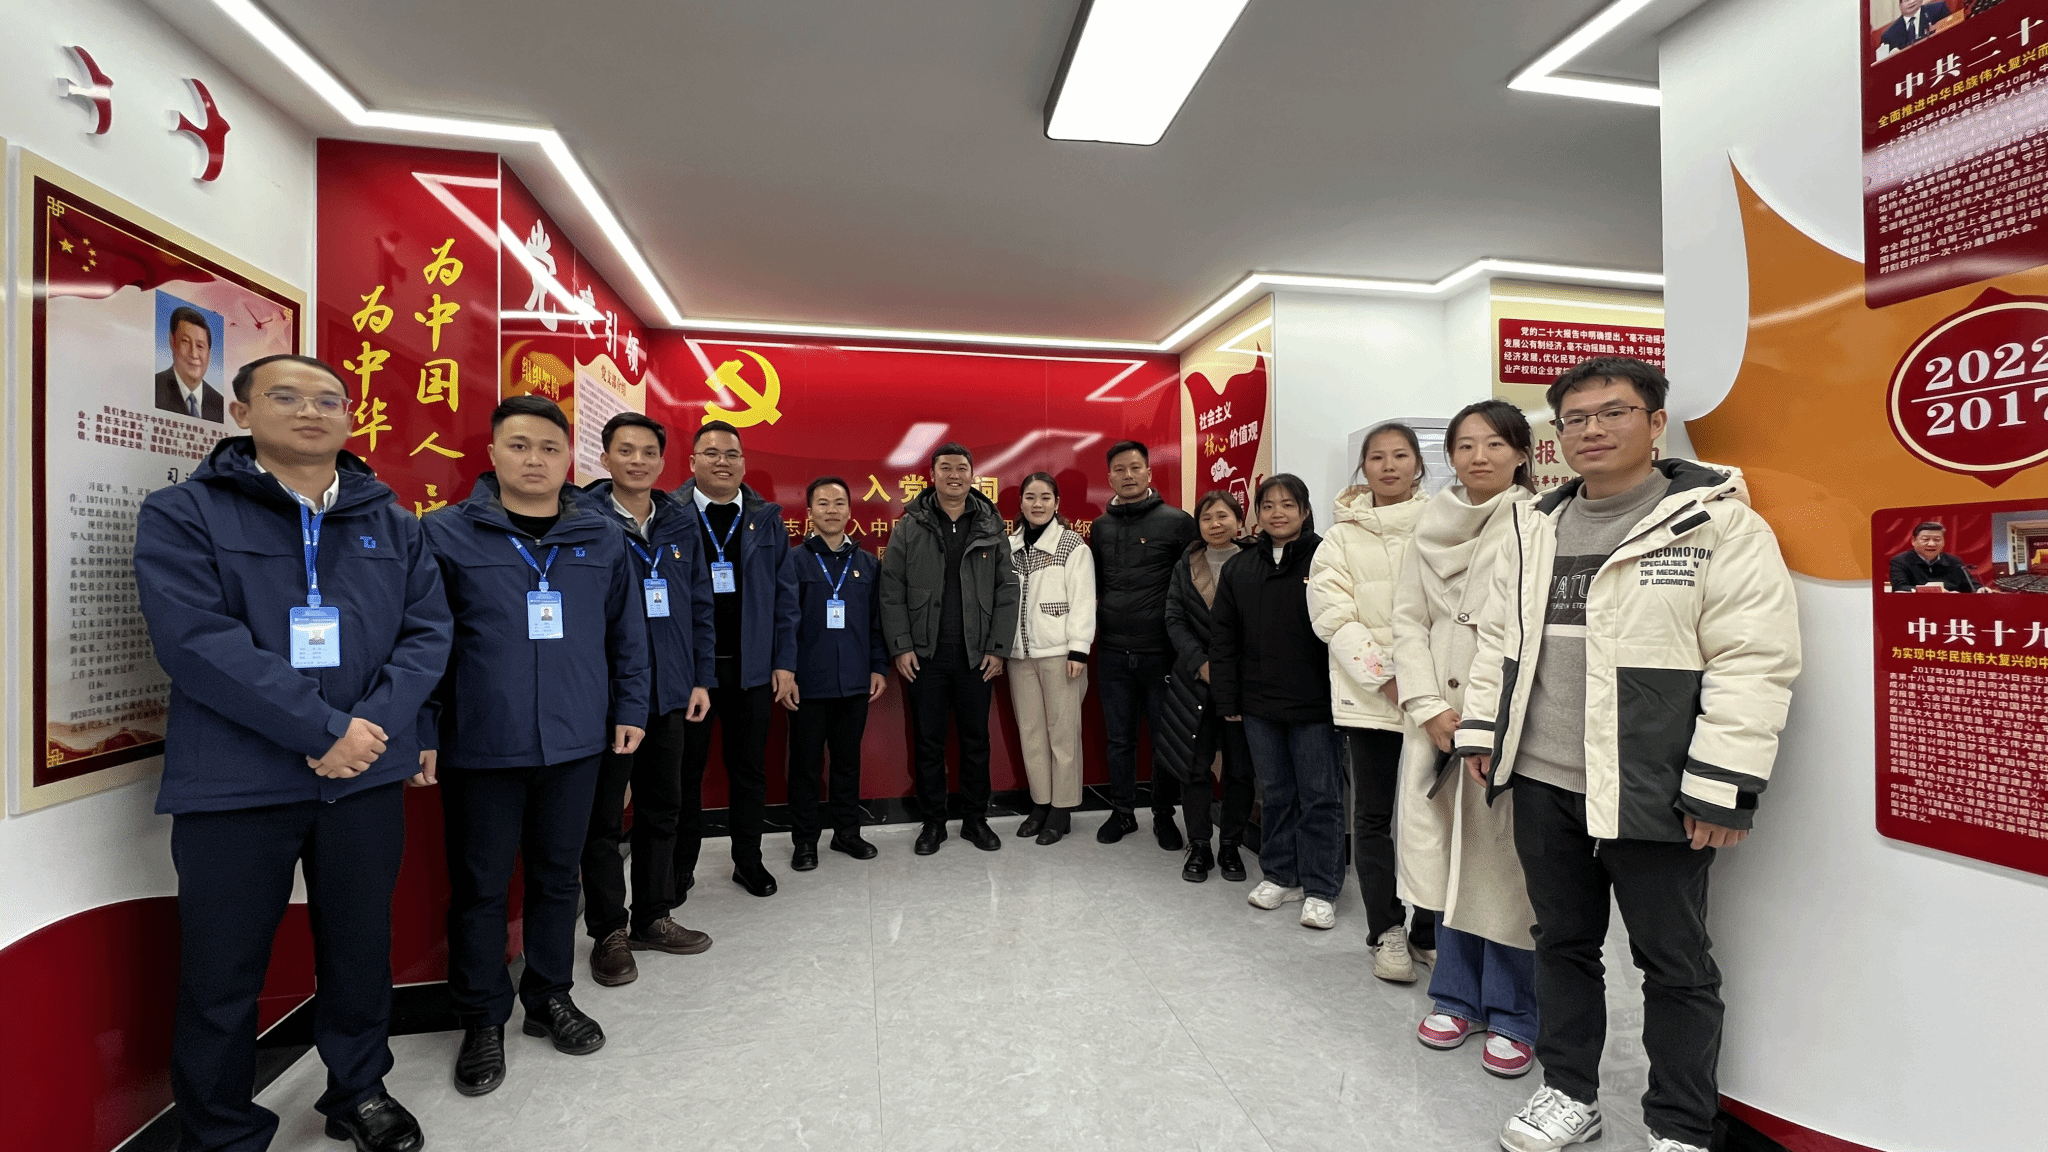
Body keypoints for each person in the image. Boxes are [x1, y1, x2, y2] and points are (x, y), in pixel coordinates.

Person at [1454, 357, 1801, 1152]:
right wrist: (1483, 730)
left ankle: (1680, 1123)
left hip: (1655, 782)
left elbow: (1753, 659)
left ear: (1655, 423)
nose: (1592, 430)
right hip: (1542, 779)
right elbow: (1498, 639)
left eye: (1613, 412)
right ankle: (1568, 1092)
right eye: (1575, 419)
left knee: (1674, 963)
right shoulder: (1535, 526)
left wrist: (1722, 784)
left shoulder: (1715, 524)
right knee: (1562, 943)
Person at [135, 354, 448, 1152]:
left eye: (328, 399)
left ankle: (359, 1090)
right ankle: (221, 1130)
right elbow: (196, 642)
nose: (311, 411)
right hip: (236, 781)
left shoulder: (393, 522)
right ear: (241, 412)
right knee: (223, 969)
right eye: (285, 396)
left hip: (363, 777)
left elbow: (427, 635)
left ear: (350, 417)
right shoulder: (184, 513)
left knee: (359, 948)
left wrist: (367, 730)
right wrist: (322, 731)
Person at [422, 395, 651, 1098]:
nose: (534, 460)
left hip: (577, 740)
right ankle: (482, 1016)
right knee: (482, 886)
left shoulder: (600, 537)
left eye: (550, 448)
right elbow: (424, 641)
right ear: (493, 453)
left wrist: (631, 707)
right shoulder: (446, 533)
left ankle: (550, 996)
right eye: (519, 445)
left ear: (568, 459)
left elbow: (627, 632)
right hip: (482, 742)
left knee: (558, 878)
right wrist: (424, 730)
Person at [1390, 400, 1541, 1080]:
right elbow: (1407, 622)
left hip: (1503, 717)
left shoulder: (1537, 523)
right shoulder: (1427, 524)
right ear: (1449, 456)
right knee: (1449, 859)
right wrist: (1427, 706)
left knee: (1503, 867)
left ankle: (1512, 1011)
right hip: (1435, 718)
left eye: (1495, 444)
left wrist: (1481, 719)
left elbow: (1521, 632)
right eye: (1465, 445)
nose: (1479, 457)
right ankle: (1454, 994)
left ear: (1522, 453)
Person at [577, 412, 716, 989]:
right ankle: (609, 931)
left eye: (648, 452)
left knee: (664, 807)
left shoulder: (680, 521)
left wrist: (700, 677)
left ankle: (654, 915)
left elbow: (700, 604)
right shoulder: (581, 518)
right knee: (604, 819)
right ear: (604, 457)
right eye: (625, 450)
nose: (637, 461)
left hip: (671, 691)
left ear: (663, 461)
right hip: (608, 696)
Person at [1308, 424, 1435, 951]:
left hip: (1436, 696)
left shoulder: (1443, 523)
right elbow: (1332, 615)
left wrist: (1423, 684)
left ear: (1418, 465)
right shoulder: (1340, 537)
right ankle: (1386, 930)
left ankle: (1429, 930)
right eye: (1377, 457)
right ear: (1363, 467)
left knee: (1432, 814)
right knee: (1374, 816)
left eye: (1400, 455)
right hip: (1371, 696)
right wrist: (1384, 678)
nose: (1389, 466)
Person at [674, 420, 801, 899]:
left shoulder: (766, 519)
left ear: (744, 463)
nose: (722, 461)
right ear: (692, 462)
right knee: (684, 773)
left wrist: (784, 662)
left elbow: (786, 598)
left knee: (749, 771)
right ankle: (679, 867)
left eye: (731, 453)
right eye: (711, 453)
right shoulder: (671, 514)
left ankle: (748, 860)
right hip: (691, 671)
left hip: (751, 669)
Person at [1213, 475, 1345, 930]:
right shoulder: (1240, 567)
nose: (1278, 513)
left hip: (1315, 703)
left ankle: (1321, 887)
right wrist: (1228, 697)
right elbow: (1224, 638)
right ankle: (1280, 874)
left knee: (1320, 796)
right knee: (1275, 792)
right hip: (1258, 703)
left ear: (1305, 511)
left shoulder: (1327, 557)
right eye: (1268, 505)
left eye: (1288, 505)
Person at [879, 441, 1020, 855]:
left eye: (961, 468)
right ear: (933, 475)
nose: (954, 475)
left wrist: (998, 647)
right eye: (946, 468)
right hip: (925, 656)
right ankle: (933, 823)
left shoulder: (990, 525)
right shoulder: (911, 525)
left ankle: (976, 820)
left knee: (976, 741)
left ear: (973, 475)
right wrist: (901, 646)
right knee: (929, 742)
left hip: (977, 656)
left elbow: (1007, 589)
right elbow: (891, 589)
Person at [1091, 440, 1199, 847]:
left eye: (1135, 467)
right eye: (1120, 469)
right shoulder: (1100, 528)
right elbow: (1096, 586)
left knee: (1162, 740)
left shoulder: (1177, 523)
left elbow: (1192, 589)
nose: (1128, 475)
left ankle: (1162, 815)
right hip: (1113, 651)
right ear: (1109, 478)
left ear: (1149, 473)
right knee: (1119, 739)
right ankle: (1122, 813)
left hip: (1162, 653)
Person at [784, 476, 889, 867]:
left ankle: (847, 834)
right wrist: (786, 672)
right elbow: (783, 623)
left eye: (839, 503)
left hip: (854, 683)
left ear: (849, 511)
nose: (832, 510)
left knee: (848, 764)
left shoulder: (867, 564)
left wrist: (878, 667)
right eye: (823, 503)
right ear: (809, 511)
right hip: (807, 684)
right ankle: (805, 841)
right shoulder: (793, 561)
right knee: (805, 767)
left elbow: (876, 623)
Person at [1159, 490, 1258, 882]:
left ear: (1239, 521)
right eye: (1206, 518)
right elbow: (1174, 618)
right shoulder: (1186, 564)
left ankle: (1230, 845)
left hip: (1242, 684)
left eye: (1222, 516)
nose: (1215, 524)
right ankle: (1199, 844)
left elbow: (1263, 622)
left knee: (1239, 770)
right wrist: (1200, 663)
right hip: (1194, 683)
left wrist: (1231, 670)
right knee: (1195, 767)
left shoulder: (1254, 562)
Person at [1005, 472, 1097, 845]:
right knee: (1031, 734)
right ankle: (1041, 803)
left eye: (1045, 497)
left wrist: (1079, 648)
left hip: (1061, 654)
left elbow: (1084, 600)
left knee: (1063, 734)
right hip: (1019, 655)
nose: (1037, 504)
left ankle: (1062, 808)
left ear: (1057, 503)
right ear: (1021, 503)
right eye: (1030, 497)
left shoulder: (1072, 545)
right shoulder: (1008, 546)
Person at [155, 304, 225, 422]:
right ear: (172, 342)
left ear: (209, 353)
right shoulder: (155, 388)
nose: (193, 354)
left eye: (200, 346)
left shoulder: (219, 403)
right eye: (185, 342)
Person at [1888, 521, 1989, 592]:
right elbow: (1899, 587)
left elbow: (1971, 585)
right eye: (1925, 539)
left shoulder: (1954, 561)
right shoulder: (1900, 560)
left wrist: (1980, 589)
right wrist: (1933, 590)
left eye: (1937, 540)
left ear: (1944, 542)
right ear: (1913, 541)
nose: (1931, 544)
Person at [1876, 0, 1952, 58]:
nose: (1911, 2)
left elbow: (1951, 36)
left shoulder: (1938, 10)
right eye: (1906, 0)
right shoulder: (1889, 36)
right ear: (1900, 6)